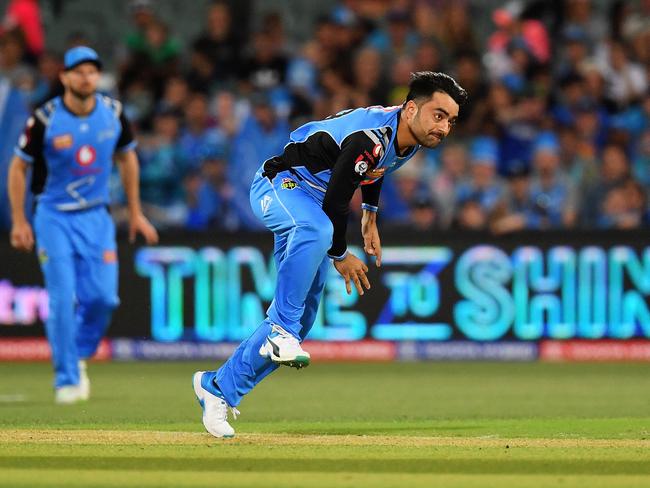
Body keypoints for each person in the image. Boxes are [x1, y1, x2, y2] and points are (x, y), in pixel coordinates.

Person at [192, 71, 467, 437]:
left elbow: (374, 169)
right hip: (281, 184)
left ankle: (218, 389)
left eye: (451, 120)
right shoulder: (371, 137)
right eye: (439, 115)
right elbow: (339, 196)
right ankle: (279, 329)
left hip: (311, 204)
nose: (444, 128)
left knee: (303, 317)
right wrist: (341, 255)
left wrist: (370, 215)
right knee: (317, 234)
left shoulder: (408, 137)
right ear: (411, 108)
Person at [7, 46, 158, 404]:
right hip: (53, 216)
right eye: (78, 71)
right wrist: (18, 220)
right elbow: (18, 167)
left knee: (104, 299)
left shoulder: (114, 113)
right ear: (64, 78)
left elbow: (128, 158)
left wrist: (135, 212)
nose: (86, 77)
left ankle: (77, 353)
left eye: (92, 71)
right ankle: (67, 380)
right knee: (61, 299)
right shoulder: (44, 119)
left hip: (97, 216)